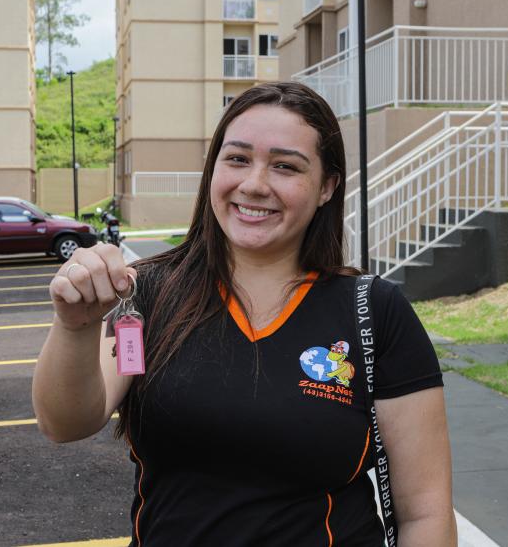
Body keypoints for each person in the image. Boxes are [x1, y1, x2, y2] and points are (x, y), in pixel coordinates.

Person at [33, 82, 456, 545]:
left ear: (327, 187)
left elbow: (425, 512)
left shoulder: (373, 312)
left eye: (285, 166)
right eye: (237, 159)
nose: (254, 184)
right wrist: (75, 326)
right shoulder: (147, 293)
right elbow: (65, 423)